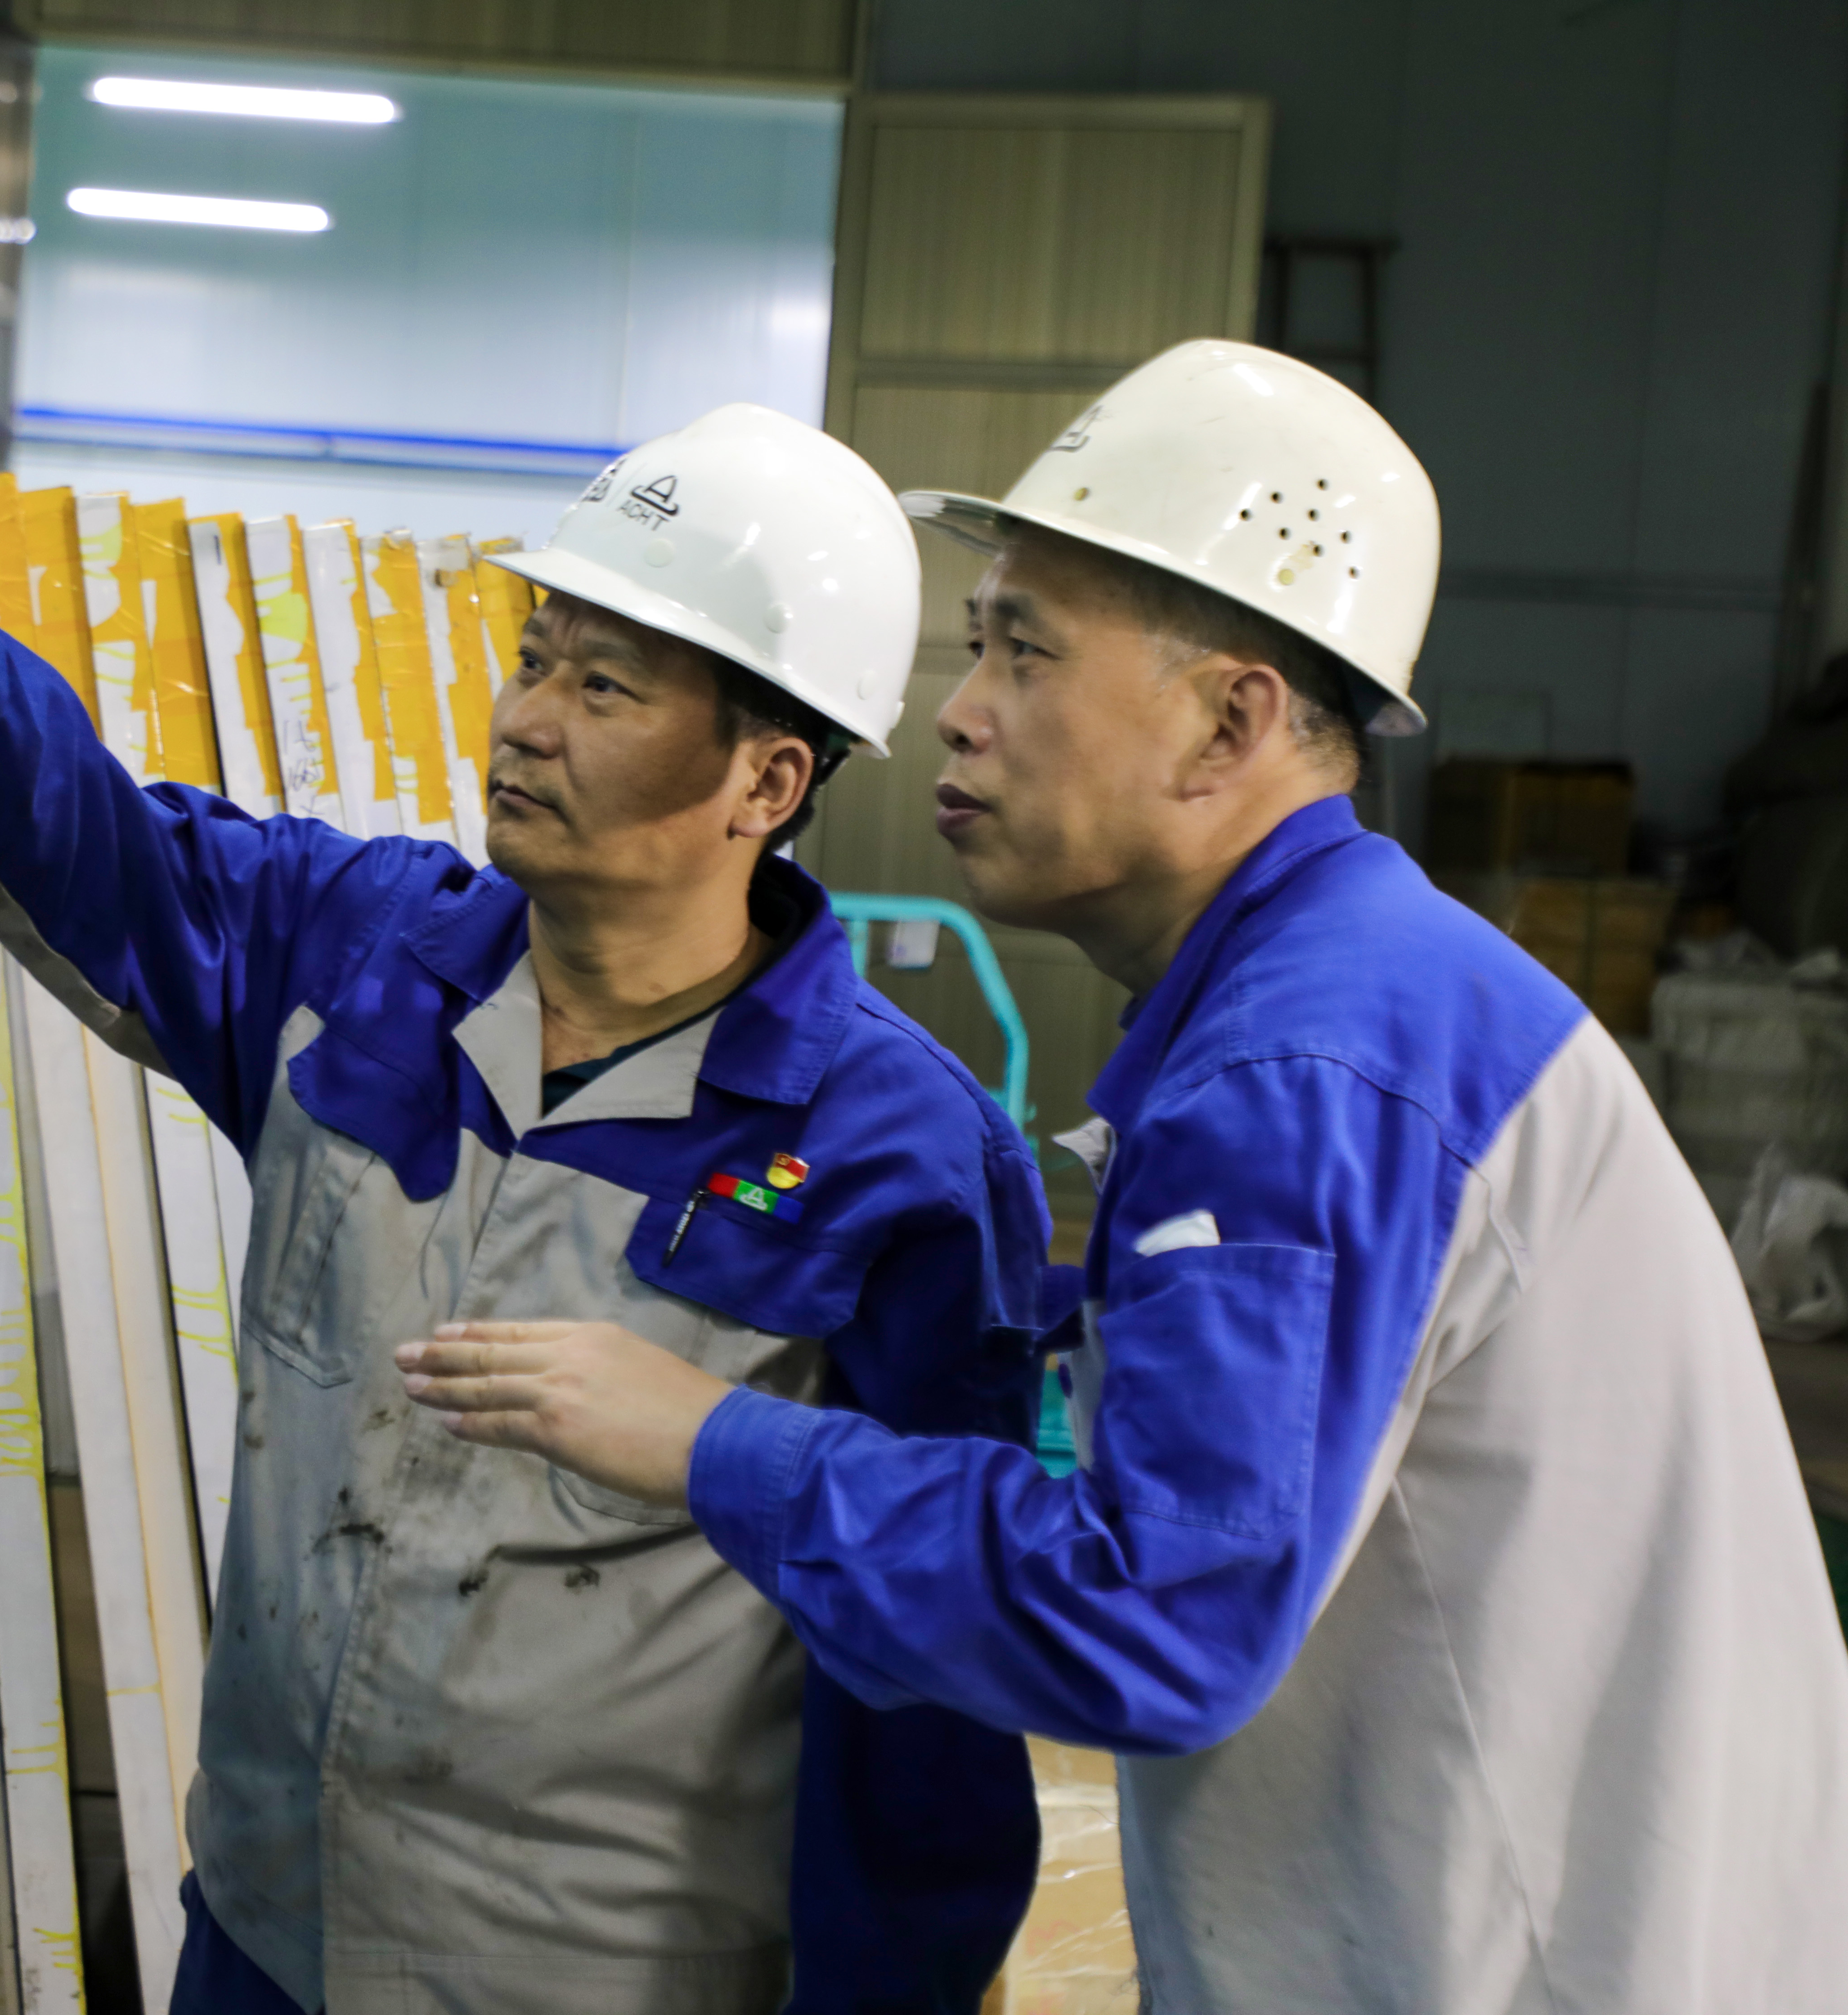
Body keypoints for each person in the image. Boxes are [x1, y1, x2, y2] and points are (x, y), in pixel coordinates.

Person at [401, 339, 1848, 2010]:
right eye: (971, 645)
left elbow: (1164, 1611)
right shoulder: (1349, 997)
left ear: (1229, 719)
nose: (960, 707)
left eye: (1026, 651)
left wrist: (714, 1442)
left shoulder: (1304, 1072)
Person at [0, 405, 1054, 2013]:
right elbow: (125, 859)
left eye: (606, 686)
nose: (526, 721)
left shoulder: (896, 1152)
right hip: (265, 1940)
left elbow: (928, 1665)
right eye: (536, 656)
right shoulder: (362, 963)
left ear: (766, 779)